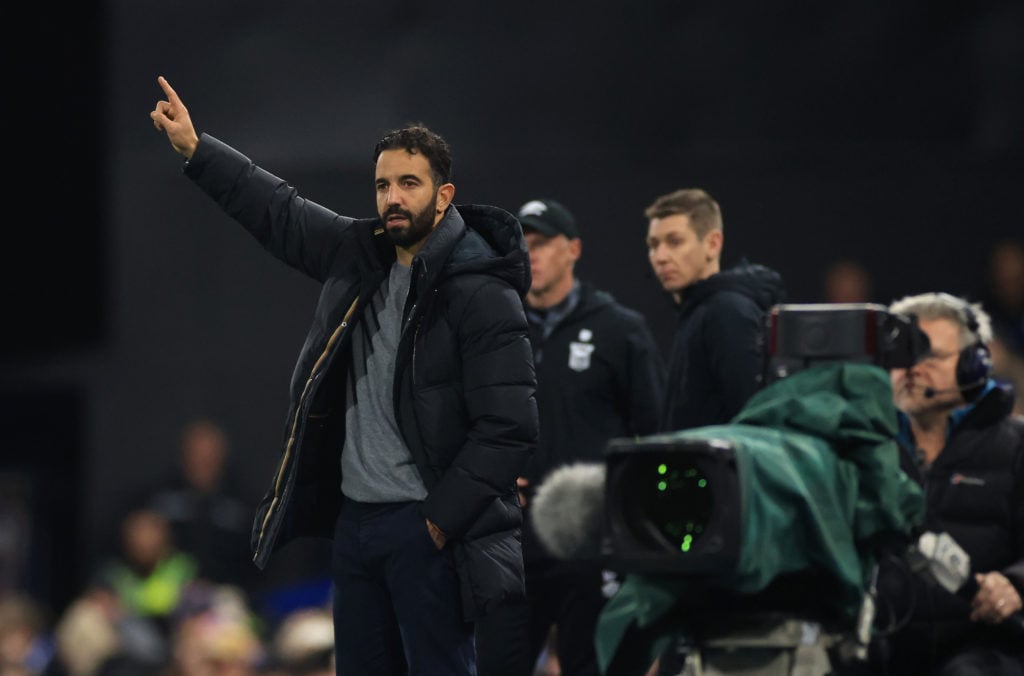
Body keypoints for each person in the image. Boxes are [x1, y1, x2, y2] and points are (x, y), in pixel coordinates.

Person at [150, 76, 538, 675]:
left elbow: (509, 427)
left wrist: (437, 521)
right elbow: (279, 211)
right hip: (358, 528)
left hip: (424, 529)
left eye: (409, 183)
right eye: (383, 184)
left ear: (444, 195)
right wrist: (199, 151)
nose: (393, 197)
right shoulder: (361, 251)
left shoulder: (482, 293)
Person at [474, 199, 666, 676]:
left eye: (541, 243)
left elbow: (656, 435)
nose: (530, 254)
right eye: (522, 244)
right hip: (512, 543)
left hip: (593, 541)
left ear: (573, 249)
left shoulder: (621, 331)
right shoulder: (491, 329)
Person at [876, 292, 1024, 675]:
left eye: (929, 355)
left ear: (976, 364)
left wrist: (1014, 584)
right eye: (901, 356)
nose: (911, 368)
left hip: (986, 646)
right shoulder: (866, 447)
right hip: (881, 646)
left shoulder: (1017, 445)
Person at [644, 188, 785, 432]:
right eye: (653, 245)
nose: (661, 256)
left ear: (712, 244)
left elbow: (753, 419)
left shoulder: (726, 312)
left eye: (674, 242)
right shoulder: (699, 311)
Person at [146, 418, 255, 595]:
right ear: (184, 455)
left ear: (222, 457)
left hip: (227, 595)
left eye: (209, 456)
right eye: (196, 454)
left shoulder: (243, 506)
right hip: (168, 593)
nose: (202, 461)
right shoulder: (159, 500)